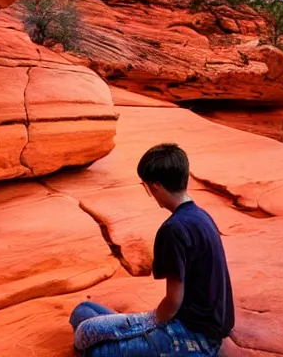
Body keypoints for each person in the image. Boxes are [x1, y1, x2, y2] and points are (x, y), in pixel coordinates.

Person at [69, 143, 234, 356]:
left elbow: (173, 303)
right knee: (83, 312)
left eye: (145, 186)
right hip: (201, 322)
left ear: (154, 186)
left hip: (193, 334)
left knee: (97, 350)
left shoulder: (174, 229)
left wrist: (142, 324)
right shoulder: (201, 216)